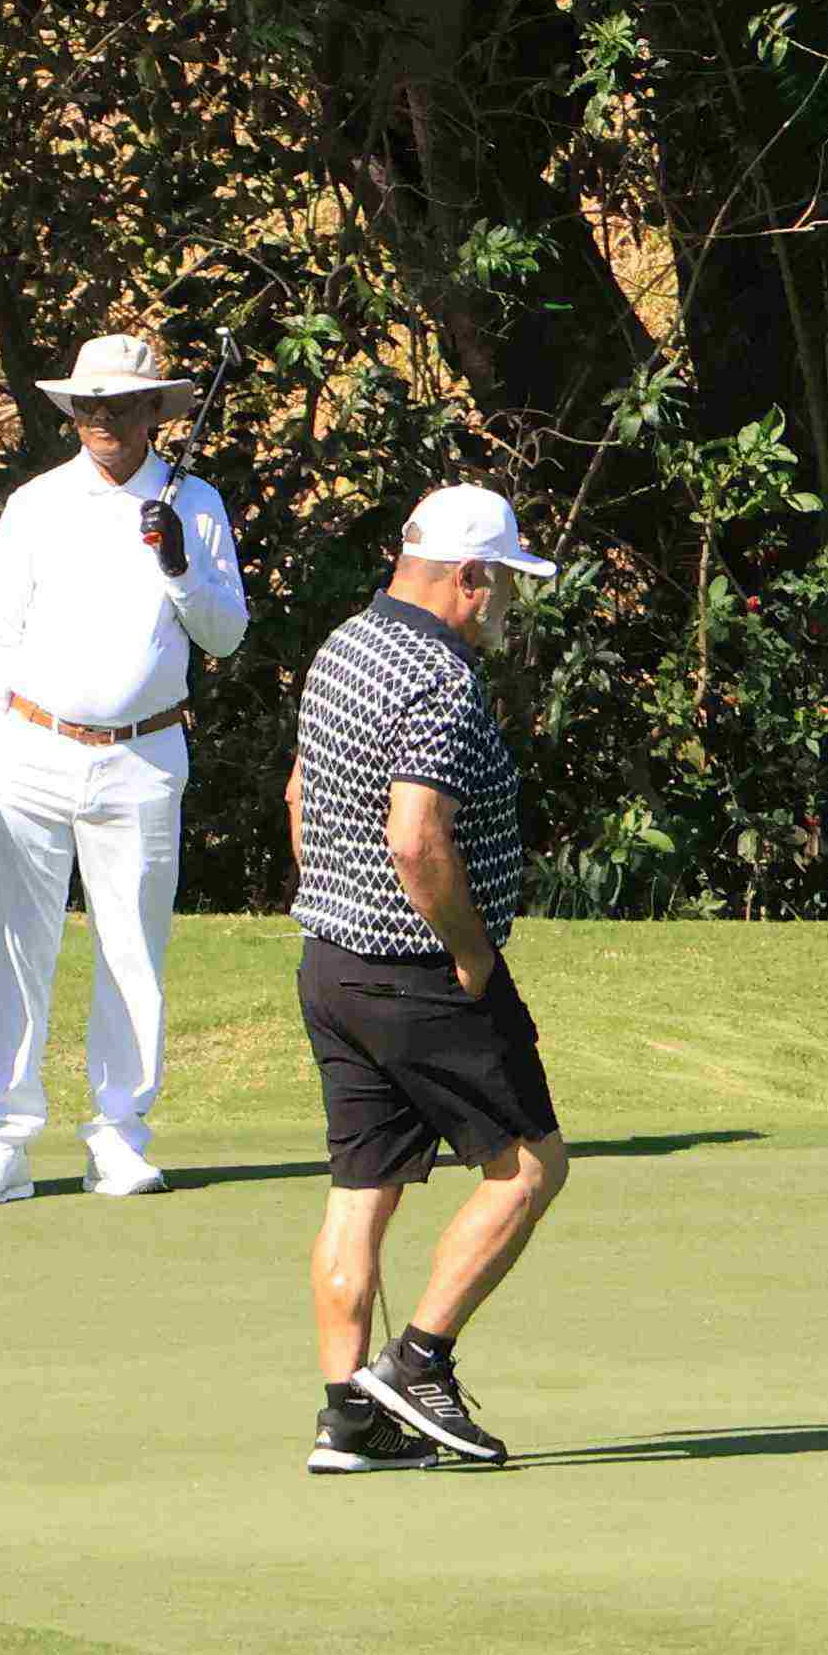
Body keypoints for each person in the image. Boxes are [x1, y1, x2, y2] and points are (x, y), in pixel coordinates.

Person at [289, 484, 574, 1473]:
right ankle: (418, 1361)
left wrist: (334, 896)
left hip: (332, 964)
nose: (506, 607)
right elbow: (417, 836)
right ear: (470, 577)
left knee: (360, 1190)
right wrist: (470, 953)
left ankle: (348, 1418)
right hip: (418, 972)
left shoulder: (343, 646)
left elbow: (300, 794)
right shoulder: (440, 680)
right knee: (533, 1163)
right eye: (504, 586)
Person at [0, 332, 246, 1204]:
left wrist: (178, 566)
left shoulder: (194, 506)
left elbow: (225, 634)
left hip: (145, 756)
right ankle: (4, 1142)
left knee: (132, 951)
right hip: (31, 750)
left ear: (157, 412)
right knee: (16, 949)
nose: (104, 420)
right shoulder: (35, 505)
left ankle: (119, 1135)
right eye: (90, 406)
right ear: (73, 413)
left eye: (122, 405)